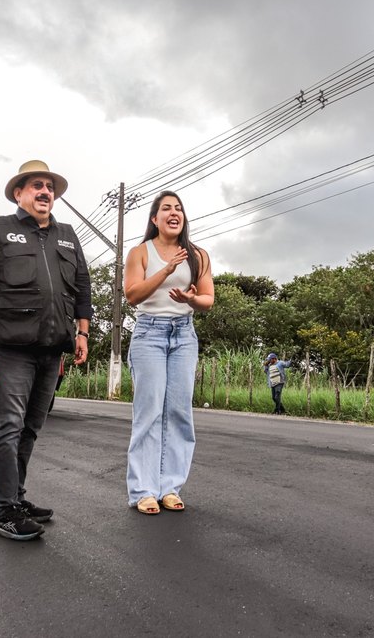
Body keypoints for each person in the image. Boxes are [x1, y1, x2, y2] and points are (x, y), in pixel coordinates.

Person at [0, 159, 92, 541]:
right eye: (36, 185)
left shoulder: (67, 234)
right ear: (19, 193)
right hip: (15, 347)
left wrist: (82, 332)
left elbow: (81, 286)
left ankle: (17, 497)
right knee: (9, 426)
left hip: (54, 349)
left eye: (49, 186)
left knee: (31, 427)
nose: (45, 191)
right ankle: (4, 510)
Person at [123, 190, 215, 515]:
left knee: (178, 412)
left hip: (184, 335)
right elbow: (132, 295)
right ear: (155, 218)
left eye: (178, 208)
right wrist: (165, 271)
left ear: (183, 217)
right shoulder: (140, 252)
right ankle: (144, 490)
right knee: (149, 411)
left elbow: (207, 300)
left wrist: (189, 299)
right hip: (149, 332)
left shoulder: (198, 255)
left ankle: (170, 487)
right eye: (166, 209)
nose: (173, 213)